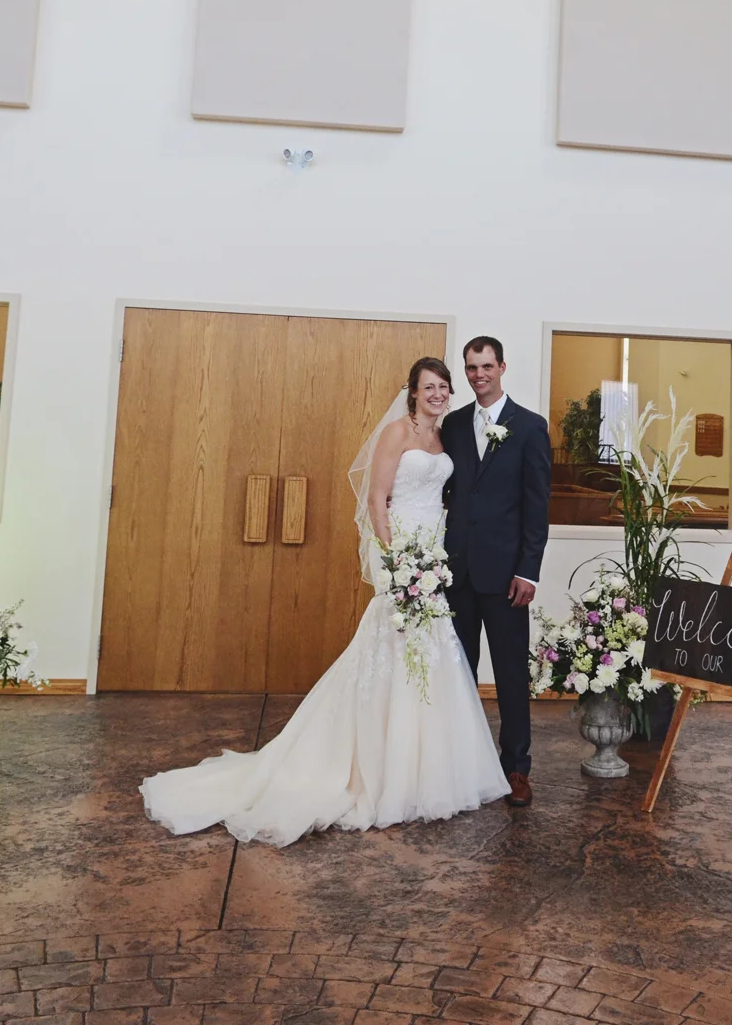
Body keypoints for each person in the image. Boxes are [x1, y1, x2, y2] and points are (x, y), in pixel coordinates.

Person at [139, 357, 509, 847]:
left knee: (432, 653)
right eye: (429, 387)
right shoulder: (397, 433)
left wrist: (435, 558)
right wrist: (396, 560)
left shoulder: (444, 438)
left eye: (444, 386)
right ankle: (371, 769)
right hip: (403, 555)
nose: (438, 394)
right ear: (413, 392)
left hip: (434, 557)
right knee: (394, 647)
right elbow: (376, 500)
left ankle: (426, 773)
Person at [442, 337, 552, 807]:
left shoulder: (529, 427)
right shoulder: (452, 424)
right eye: (471, 367)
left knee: (509, 675)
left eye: (487, 366)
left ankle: (517, 768)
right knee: (459, 673)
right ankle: (462, 764)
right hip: (456, 572)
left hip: (507, 576)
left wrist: (529, 571)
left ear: (502, 367)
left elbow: (537, 506)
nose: (479, 375)